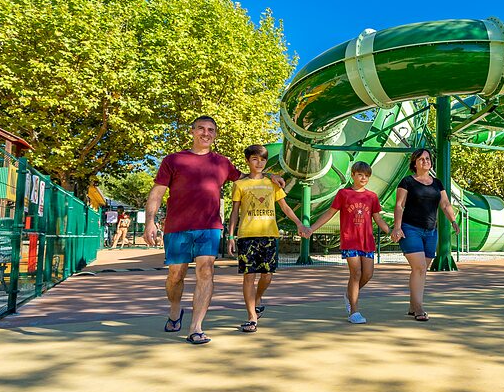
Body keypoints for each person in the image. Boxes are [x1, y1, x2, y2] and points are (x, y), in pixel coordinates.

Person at [144, 116, 283, 346]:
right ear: (192, 132)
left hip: (209, 227)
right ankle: (175, 309)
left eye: (211, 130)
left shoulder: (222, 162)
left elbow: (248, 177)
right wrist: (150, 221)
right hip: (177, 227)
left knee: (206, 271)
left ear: (215, 135)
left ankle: (196, 327)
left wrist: (271, 176)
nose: (206, 133)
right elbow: (157, 192)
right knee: (175, 275)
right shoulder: (173, 160)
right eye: (201, 129)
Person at [227, 144, 308, 333]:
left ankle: (257, 298)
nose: (259, 162)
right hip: (247, 235)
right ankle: (251, 317)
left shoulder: (273, 183)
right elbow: (235, 212)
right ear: (248, 161)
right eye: (255, 159)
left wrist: (299, 223)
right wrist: (231, 236)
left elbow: (285, 207)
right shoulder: (240, 185)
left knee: (267, 275)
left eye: (263, 159)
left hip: (270, 235)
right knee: (249, 277)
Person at [307, 161, 391, 324]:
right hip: (350, 240)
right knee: (356, 273)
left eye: (366, 175)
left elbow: (378, 218)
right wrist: (311, 228)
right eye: (360, 174)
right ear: (352, 175)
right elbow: (329, 213)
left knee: (368, 274)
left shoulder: (372, 196)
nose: (363, 178)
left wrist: (392, 231)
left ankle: (349, 295)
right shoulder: (343, 194)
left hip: (367, 241)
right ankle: (354, 311)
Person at [391, 148, 458, 321]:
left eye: (427, 158)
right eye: (421, 159)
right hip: (410, 229)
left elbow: (445, 204)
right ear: (414, 163)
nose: (425, 161)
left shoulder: (437, 183)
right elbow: (399, 205)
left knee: (421, 270)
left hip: (431, 231)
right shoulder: (407, 182)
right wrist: (397, 227)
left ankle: (413, 306)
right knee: (419, 267)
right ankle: (419, 308)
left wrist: (453, 221)